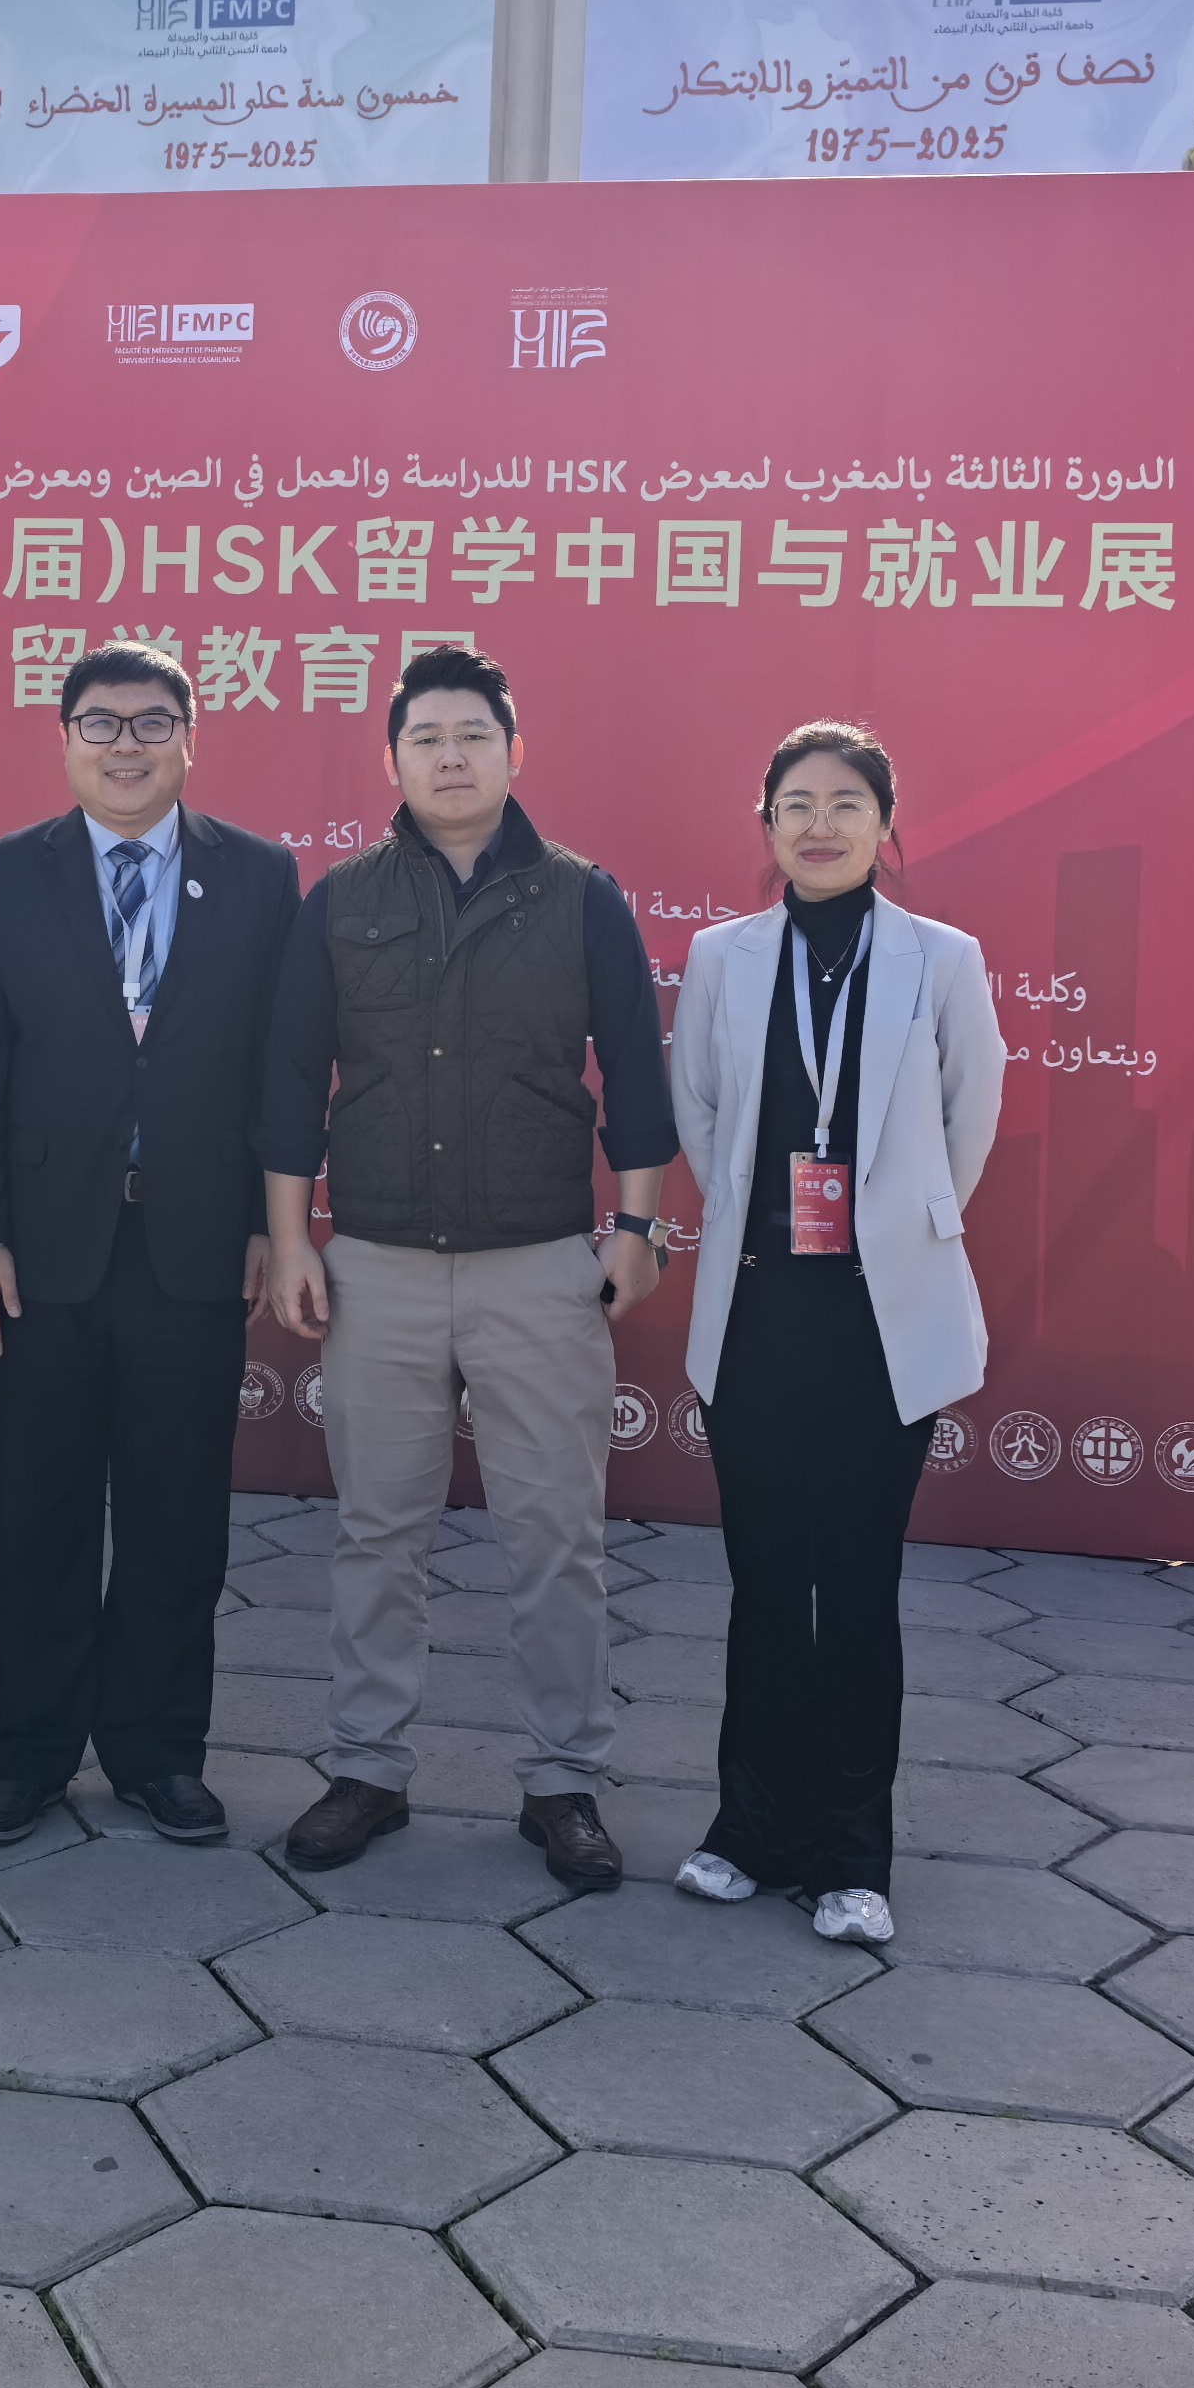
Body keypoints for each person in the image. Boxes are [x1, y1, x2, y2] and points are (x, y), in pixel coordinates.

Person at [258, 644, 679, 1894]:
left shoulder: (581, 898)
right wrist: (292, 1238)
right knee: (376, 1533)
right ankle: (366, 1769)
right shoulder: (340, 900)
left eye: (473, 736)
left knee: (555, 1537)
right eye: (427, 738)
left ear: (513, 752)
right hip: (377, 1265)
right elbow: (292, 1078)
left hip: (538, 1265)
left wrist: (638, 1226)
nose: (450, 757)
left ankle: (562, 1782)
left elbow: (634, 1070)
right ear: (392, 758)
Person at [0, 643, 301, 1847]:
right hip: (42, 1250)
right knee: (35, 1513)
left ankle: (157, 1751)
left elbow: (279, 1066)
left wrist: (266, 1222)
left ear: (190, 739)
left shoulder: (258, 875)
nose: (126, 745)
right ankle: (30, 1752)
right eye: (101, 723)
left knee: (175, 1514)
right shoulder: (4, 874)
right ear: (66, 741)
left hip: (194, 1245)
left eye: (151, 723)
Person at [663, 720, 1007, 1944]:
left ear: (884, 825)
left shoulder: (941, 959)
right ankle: (748, 1829)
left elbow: (969, 1118)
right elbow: (700, 1110)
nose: (819, 824)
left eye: (845, 803)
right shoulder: (722, 956)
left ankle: (853, 1855)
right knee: (763, 1583)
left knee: (857, 1588)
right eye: (796, 804)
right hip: (759, 1311)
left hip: (879, 1321)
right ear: (766, 823)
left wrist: (899, 1224)